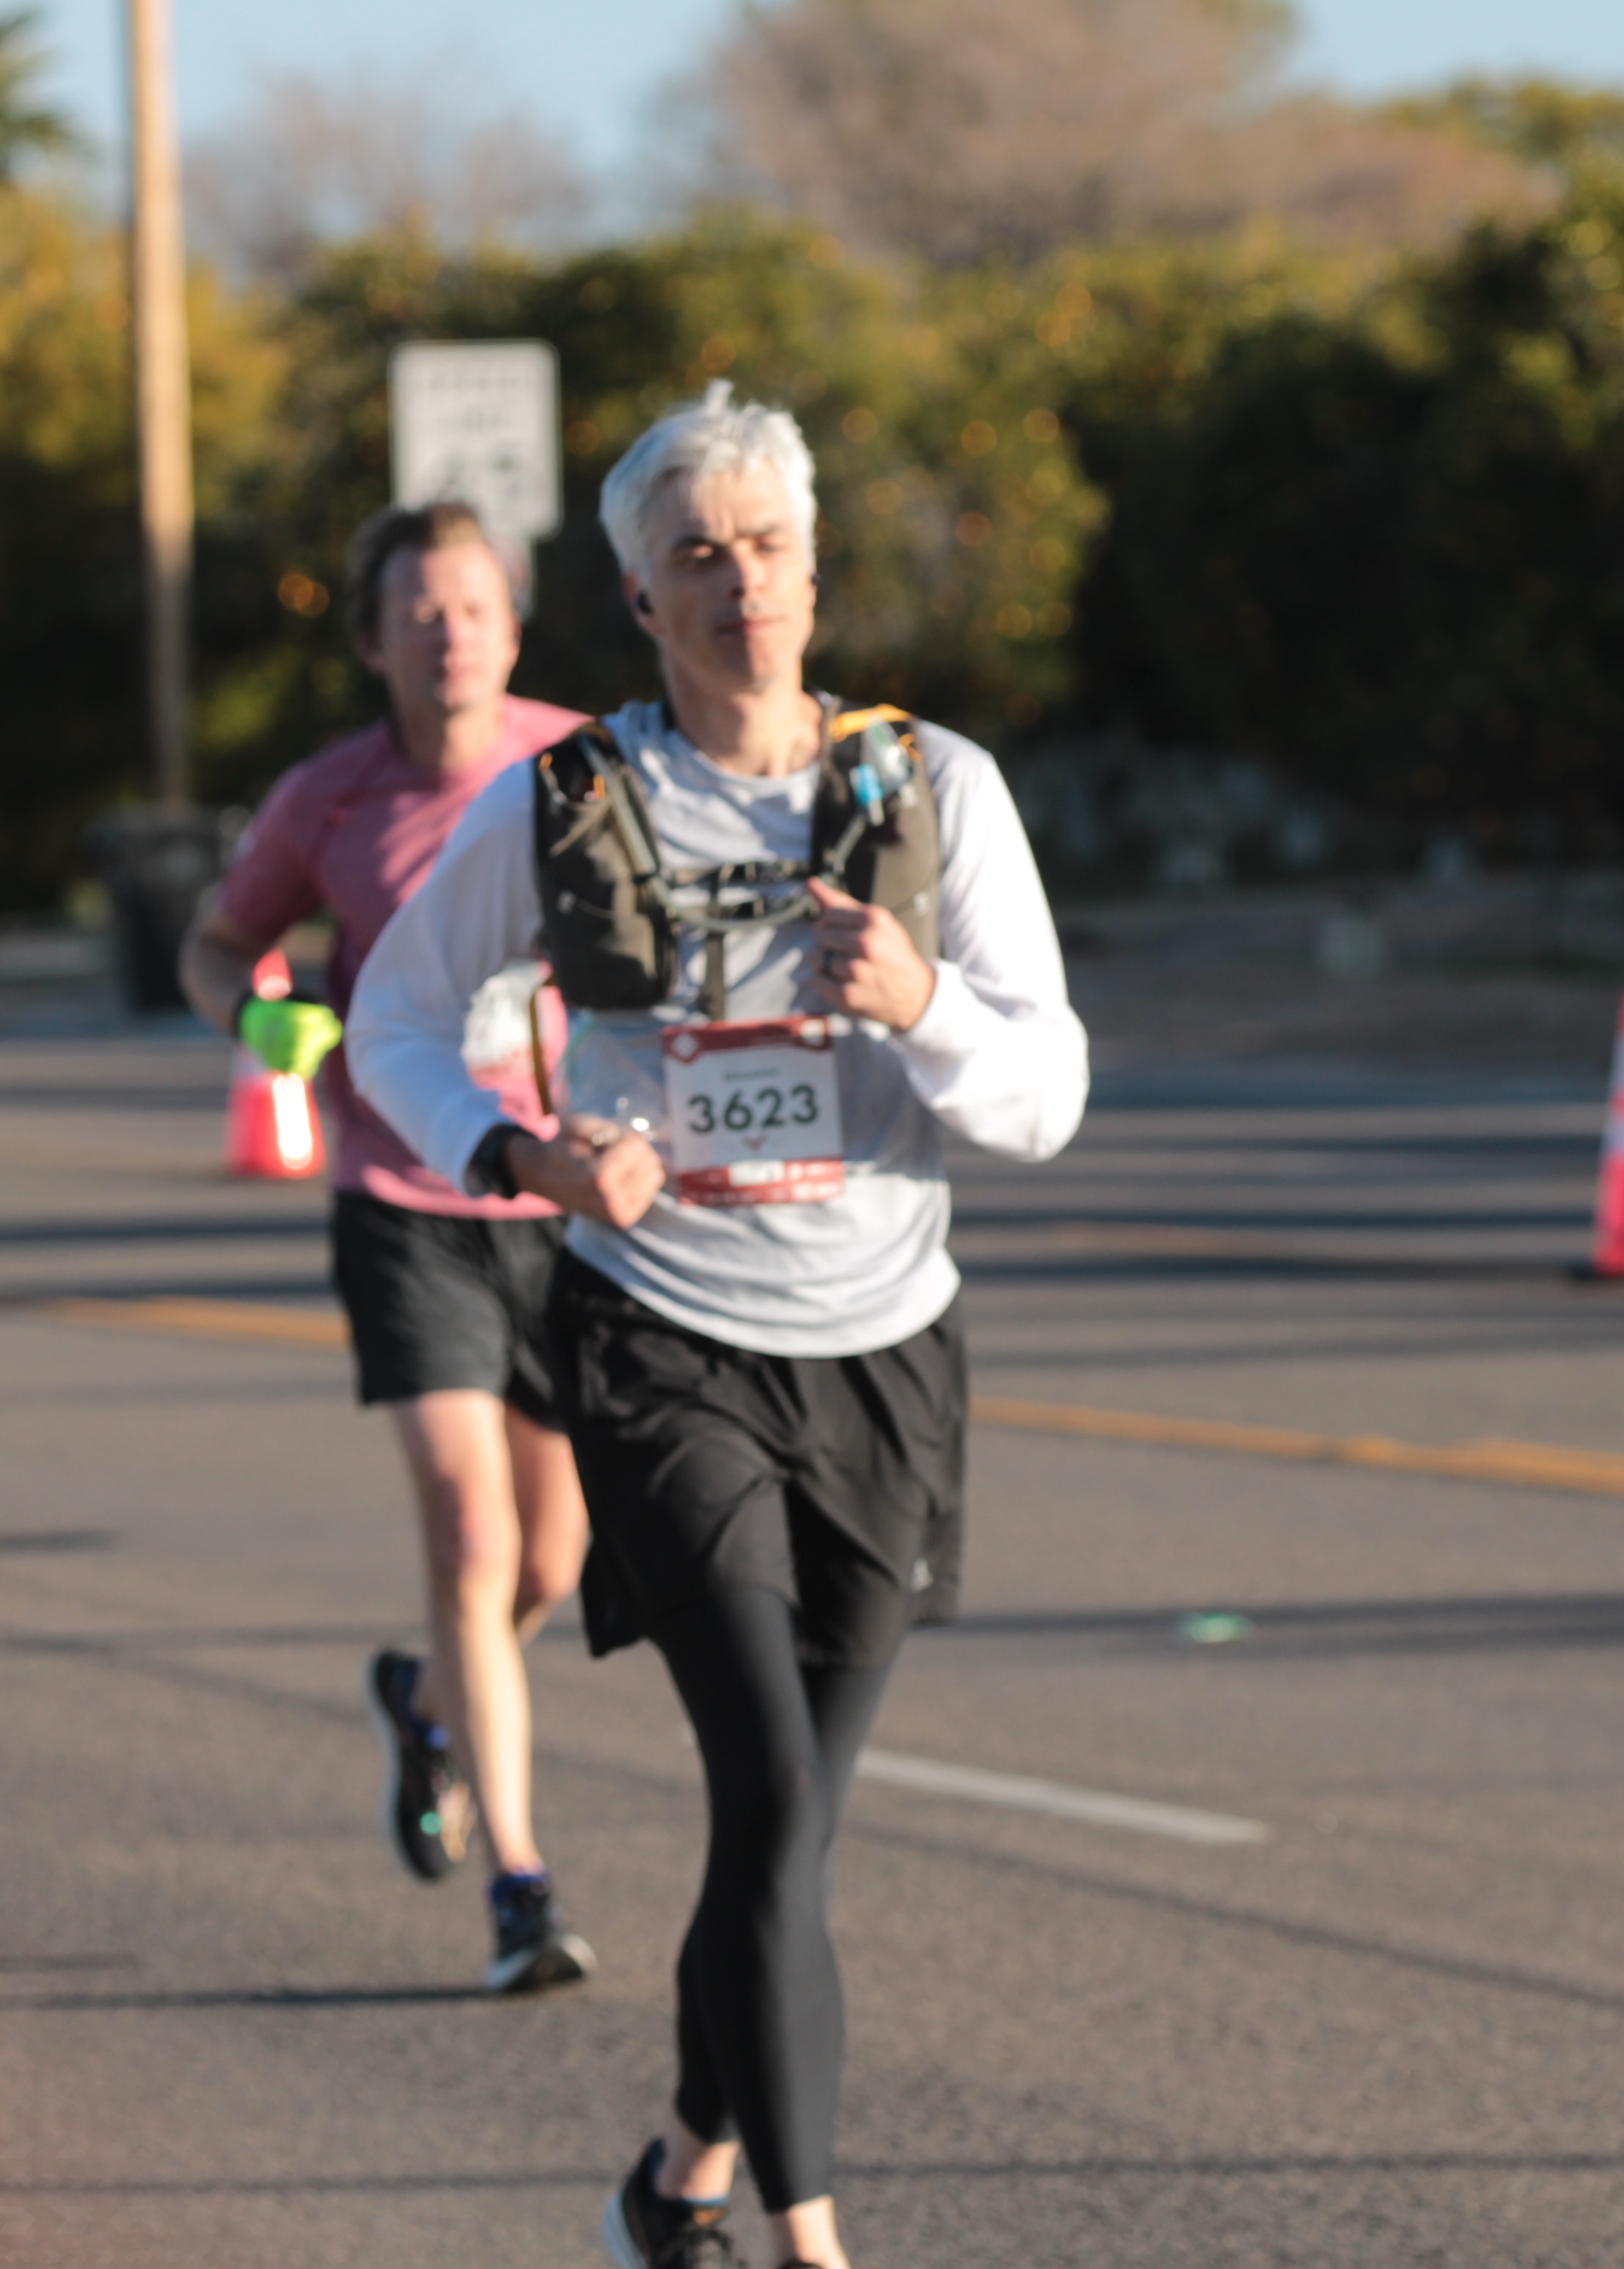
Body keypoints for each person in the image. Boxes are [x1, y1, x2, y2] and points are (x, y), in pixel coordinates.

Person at [347, 386, 1088, 2269]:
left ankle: (677, 2176)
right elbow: (392, 1021)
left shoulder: (936, 789)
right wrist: (522, 1153)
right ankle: (808, 2242)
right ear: (640, 596)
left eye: (767, 546)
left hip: (886, 1355)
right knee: (766, 1785)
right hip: (662, 1339)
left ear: (814, 570)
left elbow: (1049, 1096)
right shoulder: (572, 799)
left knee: (790, 1836)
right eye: (698, 554)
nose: (740, 582)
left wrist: (921, 1002)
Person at [180, 499, 603, 1994]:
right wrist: (259, 1020)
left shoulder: (583, 767)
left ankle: (423, 1699)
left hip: (561, 1202)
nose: (449, 636)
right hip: (405, 1200)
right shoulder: (330, 799)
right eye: (419, 613)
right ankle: (521, 1890)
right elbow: (216, 943)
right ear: (373, 641)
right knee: (473, 1540)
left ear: (513, 626)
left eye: (473, 607)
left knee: (553, 1558)